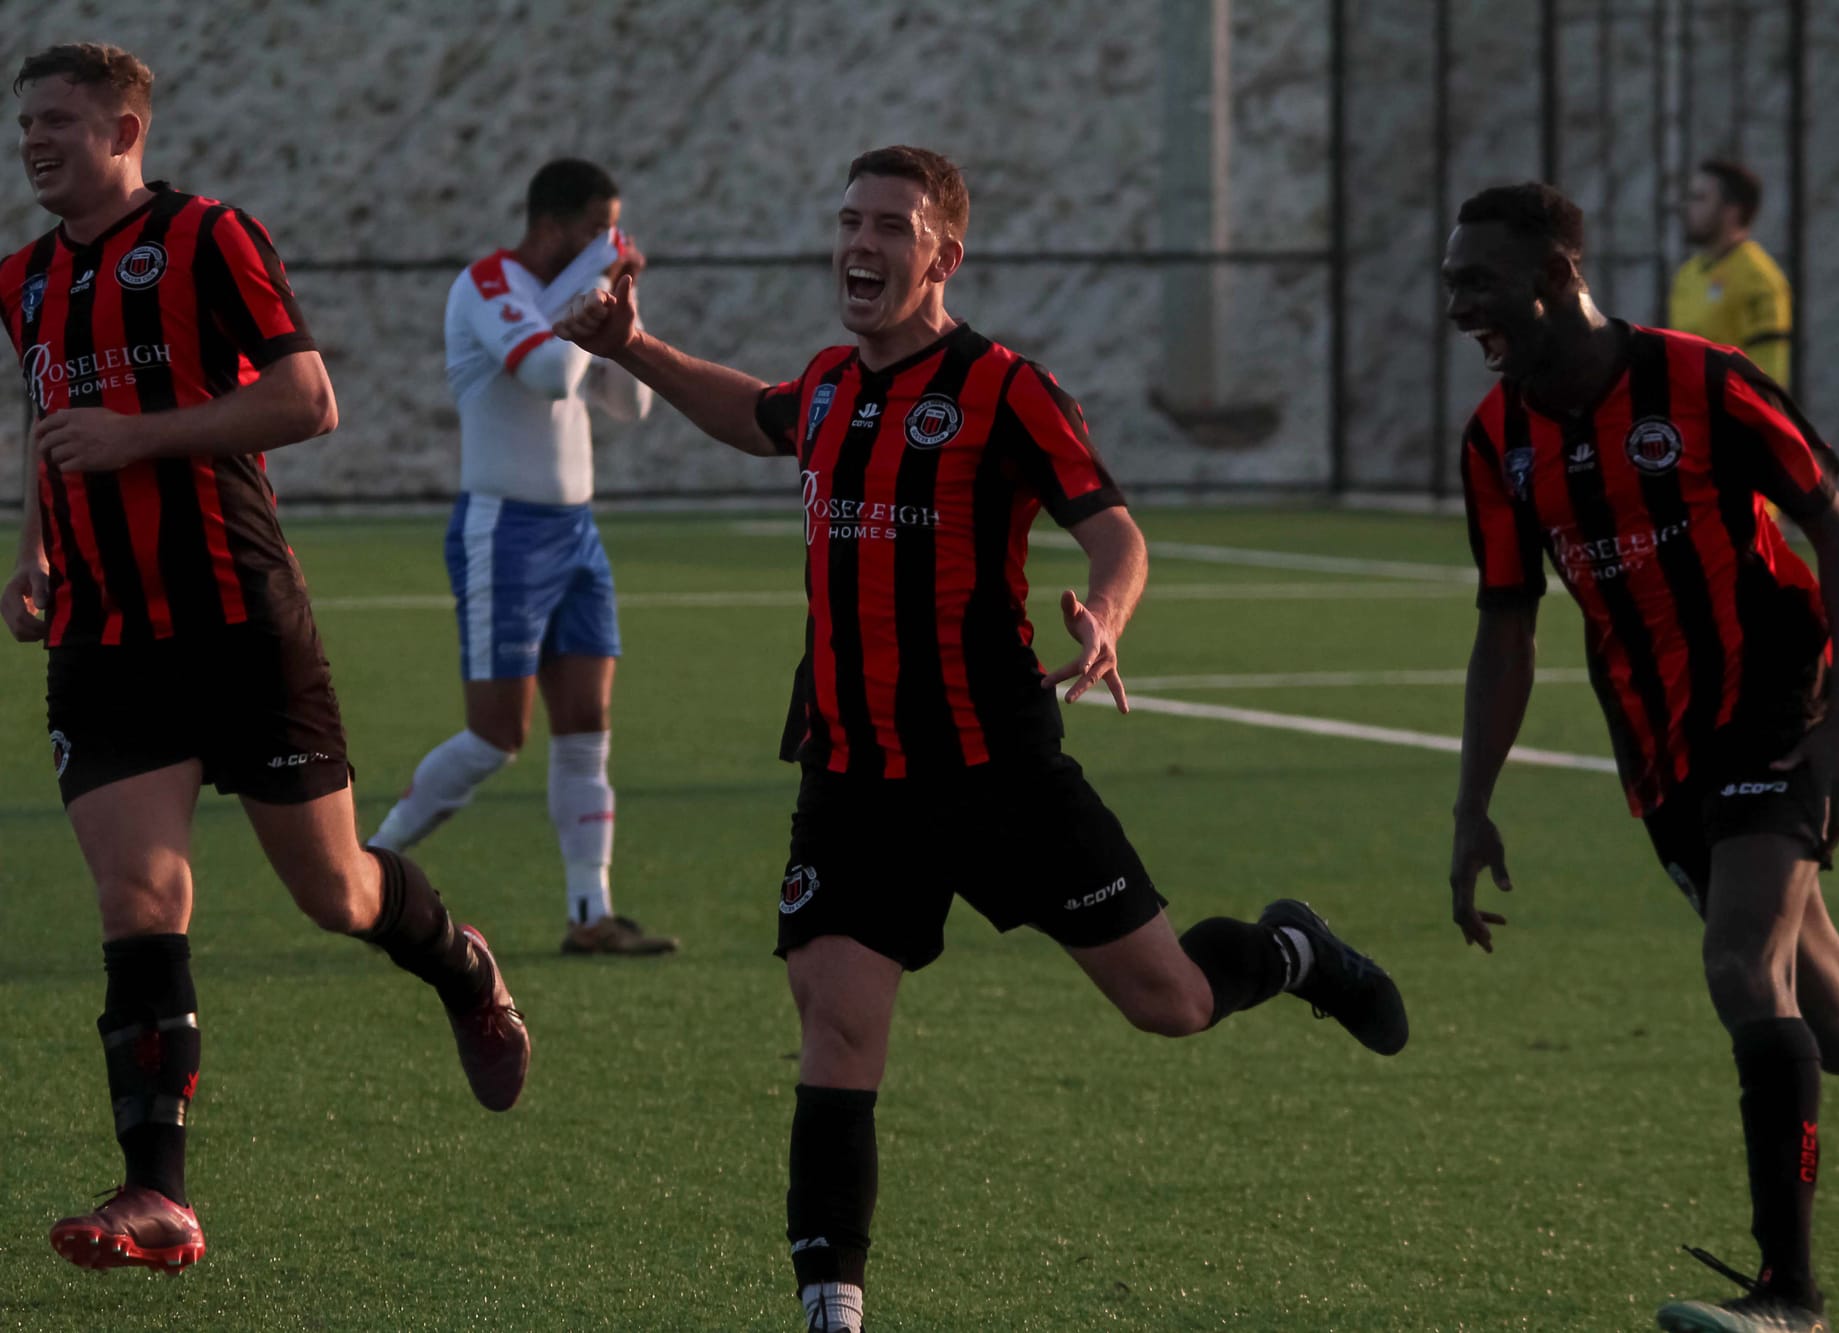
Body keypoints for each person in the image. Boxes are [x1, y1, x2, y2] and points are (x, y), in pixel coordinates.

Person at [554, 144, 1409, 1333]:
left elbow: (1113, 530)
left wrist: (1104, 619)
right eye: (849, 220)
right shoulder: (831, 388)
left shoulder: (1005, 388)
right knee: (837, 1020)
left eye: (891, 227)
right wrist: (630, 348)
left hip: (996, 767)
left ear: (942, 254)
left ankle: (1293, 952)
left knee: (1166, 1002)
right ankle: (831, 1306)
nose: (862, 244)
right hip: (852, 774)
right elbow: (755, 417)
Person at [1, 43, 530, 1275]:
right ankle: (158, 1193)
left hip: (240, 620)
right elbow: (51, 420)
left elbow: (306, 399)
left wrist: (143, 438)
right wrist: (34, 554)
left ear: (125, 128)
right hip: (103, 638)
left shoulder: (206, 238)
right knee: (139, 898)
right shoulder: (23, 279)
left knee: (334, 892)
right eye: (26, 122)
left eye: (62, 122)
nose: (35, 141)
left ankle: (461, 967)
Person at [1442, 181, 1839, 1333]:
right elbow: (1507, 621)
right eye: (1450, 284)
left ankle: (1788, 1297)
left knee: (1739, 965)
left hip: (1773, 699)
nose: (1456, 308)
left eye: (1475, 283)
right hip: (1656, 746)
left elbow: (1836, 528)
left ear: (1552, 278)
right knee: (1837, 1030)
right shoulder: (1494, 440)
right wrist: (1470, 803)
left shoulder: (1697, 382)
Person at [366, 158, 674, 957]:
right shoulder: (487, 284)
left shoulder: (570, 292)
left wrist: (620, 314)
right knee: (496, 735)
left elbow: (630, 401)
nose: (611, 240)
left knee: (586, 726)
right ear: (555, 227)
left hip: (578, 535)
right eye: (599, 228)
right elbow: (545, 371)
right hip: (503, 531)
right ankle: (368, 867)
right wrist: (592, 286)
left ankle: (590, 911)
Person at [1669, 159, 1792, 389]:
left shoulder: (1758, 279)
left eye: (1700, 198)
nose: (1688, 207)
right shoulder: (1687, 275)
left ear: (1731, 211)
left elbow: (1769, 378)